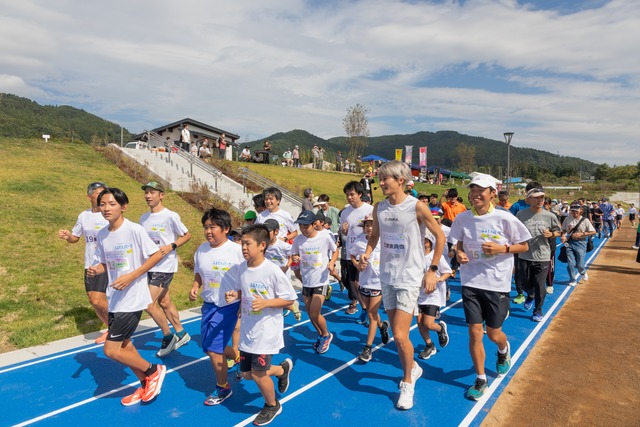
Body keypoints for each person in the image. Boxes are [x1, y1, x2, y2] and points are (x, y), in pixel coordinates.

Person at [361, 161, 446, 410]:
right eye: (380, 177)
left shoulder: (417, 206)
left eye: (386, 178)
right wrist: (367, 252)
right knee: (398, 340)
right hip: (386, 276)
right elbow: (375, 235)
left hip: (409, 278)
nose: (382, 182)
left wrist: (432, 270)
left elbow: (439, 236)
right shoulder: (380, 207)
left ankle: (407, 381)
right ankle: (413, 367)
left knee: (399, 335)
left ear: (401, 180)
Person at [448, 173, 531, 401]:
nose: (475, 195)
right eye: (472, 190)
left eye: (480, 191)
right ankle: (481, 377)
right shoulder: (463, 218)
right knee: (475, 332)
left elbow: (523, 246)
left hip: (496, 283)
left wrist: (501, 249)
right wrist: (459, 253)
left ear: (492, 193)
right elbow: (457, 244)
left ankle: (503, 350)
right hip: (470, 281)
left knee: (493, 334)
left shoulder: (505, 218)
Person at [87, 187, 167, 406]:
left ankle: (153, 370)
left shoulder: (134, 230)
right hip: (114, 298)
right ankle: (145, 384)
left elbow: (155, 256)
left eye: (112, 204)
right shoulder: (103, 234)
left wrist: (131, 276)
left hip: (132, 298)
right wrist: (98, 269)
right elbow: (108, 262)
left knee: (111, 350)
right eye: (102, 204)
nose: (106, 208)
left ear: (123, 207)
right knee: (126, 347)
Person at [223, 224, 297, 426]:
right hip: (249, 330)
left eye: (247, 243)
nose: (243, 247)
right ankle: (282, 370)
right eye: (242, 243)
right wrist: (235, 295)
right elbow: (244, 292)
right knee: (247, 374)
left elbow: (289, 299)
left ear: (262, 245)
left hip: (266, 331)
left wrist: (266, 303)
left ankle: (272, 405)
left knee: (257, 374)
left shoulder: (272, 271)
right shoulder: (242, 268)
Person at [189, 207, 245, 406]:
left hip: (229, 307)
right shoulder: (202, 250)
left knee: (214, 350)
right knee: (208, 347)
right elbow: (198, 272)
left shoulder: (238, 251)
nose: (208, 231)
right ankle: (238, 358)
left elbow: (249, 277)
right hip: (209, 305)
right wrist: (196, 285)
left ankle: (223, 388)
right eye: (206, 227)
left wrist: (240, 296)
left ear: (226, 229)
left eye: (213, 227)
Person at [139, 182, 192, 357]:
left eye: (152, 192)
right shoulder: (143, 218)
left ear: (161, 195)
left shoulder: (170, 216)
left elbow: (187, 235)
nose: (148, 196)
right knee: (164, 302)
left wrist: (172, 246)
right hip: (149, 266)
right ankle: (181, 333)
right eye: (146, 193)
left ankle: (168, 336)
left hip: (164, 266)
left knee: (148, 303)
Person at [57, 182, 110, 344]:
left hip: (104, 264)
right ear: (89, 196)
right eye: (98, 193)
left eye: (104, 193)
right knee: (91, 300)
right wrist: (68, 237)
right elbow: (75, 237)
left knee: (97, 300)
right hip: (89, 263)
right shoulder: (84, 216)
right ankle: (112, 327)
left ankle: (119, 327)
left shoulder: (108, 214)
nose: (102, 196)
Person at [291, 210, 339, 353]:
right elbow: (294, 254)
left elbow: (335, 251)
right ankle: (321, 334)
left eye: (306, 226)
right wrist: (295, 258)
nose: (303, 229)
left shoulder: (324, 238)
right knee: (310, 315)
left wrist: (332, 262)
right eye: (301, 226)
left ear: (314, 224)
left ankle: (326, 335)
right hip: (306, 281)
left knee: (314, 313)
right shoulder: (298, 240)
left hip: (321, 280)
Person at [515, 187, 562, 322]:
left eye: (542, 197)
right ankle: (530, 295)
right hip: (524, 255)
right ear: (529, 199)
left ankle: (538, 311)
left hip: (542, 256)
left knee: (540, 285)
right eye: (536, 197)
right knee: (525, 283)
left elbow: (559, 232)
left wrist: (552, 234)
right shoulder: (520, 214)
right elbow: (514, 231)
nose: (540, 200)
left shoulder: (550, 216)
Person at [350, 215, 390, 362]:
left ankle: (367, 348)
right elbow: (352, 255)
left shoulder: (383, 241)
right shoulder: (360, 242)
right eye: (367, 225)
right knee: (369, 310)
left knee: (372, 314)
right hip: (364, 281)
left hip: (379, 283)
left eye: (372, 225)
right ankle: (382, 326)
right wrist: (356, 264)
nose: (369, 228)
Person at [339, 181, 374, 318]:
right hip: (351, 252)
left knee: (365, 282)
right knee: (353, 283)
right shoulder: (344, 213)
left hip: (367, 251)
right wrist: (344, 231)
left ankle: (370, 310)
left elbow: (376, 230)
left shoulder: (369, 210)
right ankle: (365, 308)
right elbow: (346, 233)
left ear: (360, 194)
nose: (349, 197)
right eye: (347, 195)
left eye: (352, 194)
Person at [416, 236, 452, 360]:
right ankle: (429, 345)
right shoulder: (416, 256)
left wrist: (439, 279)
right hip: (418, 294)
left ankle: (440, 328)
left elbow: (448, 272)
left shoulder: (436, 257)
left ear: (430, 242)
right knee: (419, 322)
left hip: (433, 295)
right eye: (421, 240)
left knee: (428, 323)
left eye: (425, 240)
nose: (423, 242)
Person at [263, 219, 301, 321]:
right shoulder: (263, 245)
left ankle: (292, 305)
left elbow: (293, 254)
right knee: (270, 298)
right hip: (267, 275)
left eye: (268, 232)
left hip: (282, 275)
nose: (265, 234)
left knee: (278, 299)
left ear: (276, 232)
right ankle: (290, 306)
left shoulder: (283, 245)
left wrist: (287, 266)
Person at [561, 203, 596, 286]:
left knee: (580, 264)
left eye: (576, 210)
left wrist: (581, 234)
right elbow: (563, 230)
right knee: (570, 263)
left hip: (581, 243)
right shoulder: (567, 219)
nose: (574, 212)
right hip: (569, 243)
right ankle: (573, 279)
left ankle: (583, 272)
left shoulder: (585, 220)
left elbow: (593, 231)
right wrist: (563, 236)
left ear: (580, 211)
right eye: (572, 210)